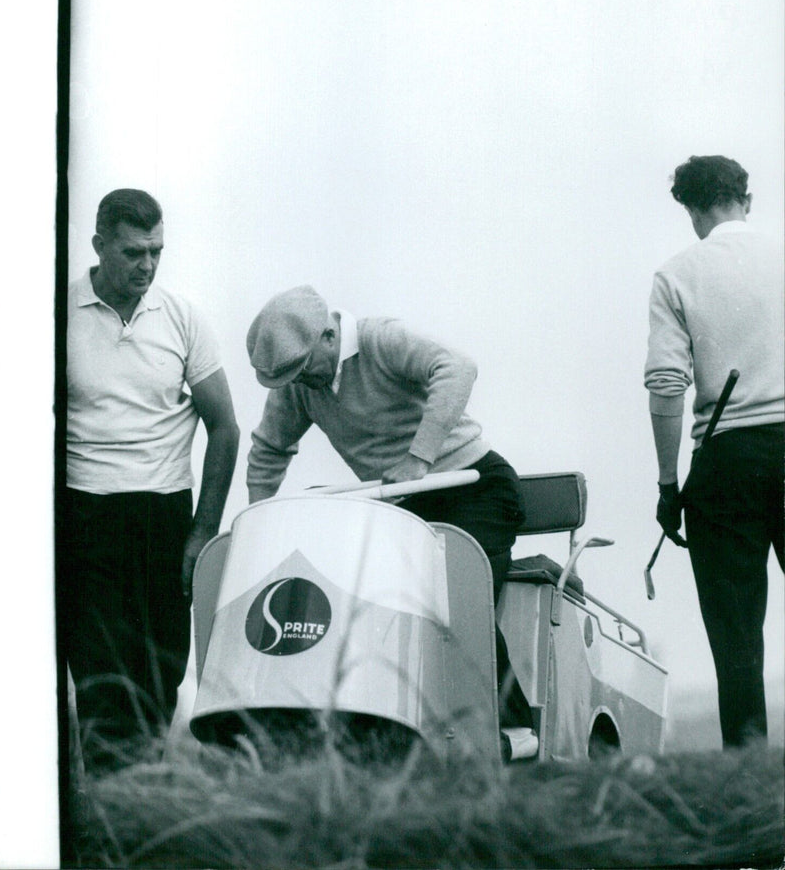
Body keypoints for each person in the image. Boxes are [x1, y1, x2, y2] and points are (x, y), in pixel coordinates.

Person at [245, 284, 539, 760]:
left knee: (455, 598)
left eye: (304, 369)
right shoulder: (301, 385)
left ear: (327, 335)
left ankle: (514, 729)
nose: (302, 382)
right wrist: (257, 523)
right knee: (369, 611)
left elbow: (458, 368)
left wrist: (419, 458)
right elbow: (268, 450)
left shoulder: (381, 339)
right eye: (290, 377)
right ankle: (395, 735)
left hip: (474, 485)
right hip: (407, 507)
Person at [62, 189, 240, 770]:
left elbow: (226, 428)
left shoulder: (181, 316)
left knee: (162, 668)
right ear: (99, 246)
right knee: (100, 674)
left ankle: (141, 803)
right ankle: (109, 810)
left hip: (165, 515)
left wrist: (201, 533)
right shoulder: (58, 314)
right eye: (134, 252)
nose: (147, 265)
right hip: (86, 515)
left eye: (156, 251)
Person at [644, 156, 784, 748]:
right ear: (745, 200)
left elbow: (666, 385)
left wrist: (669, 485)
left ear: (693, 210)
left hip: (726, 462)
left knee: (736, 646)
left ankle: (749, 791)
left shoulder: (677, 275)